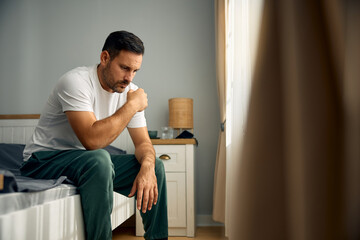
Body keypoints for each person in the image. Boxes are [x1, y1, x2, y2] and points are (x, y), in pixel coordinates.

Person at [20, 31, 168, 240]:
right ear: (105, 58)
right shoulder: (75, 82)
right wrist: (132, 105)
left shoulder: (130, 91)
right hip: (43, 160)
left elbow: (143, 143)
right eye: (124, 68)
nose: (129, 78)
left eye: (135, 70)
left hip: (84, 162)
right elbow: (92, 141)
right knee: (99, 158)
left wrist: (147, 166)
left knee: (156, 167)